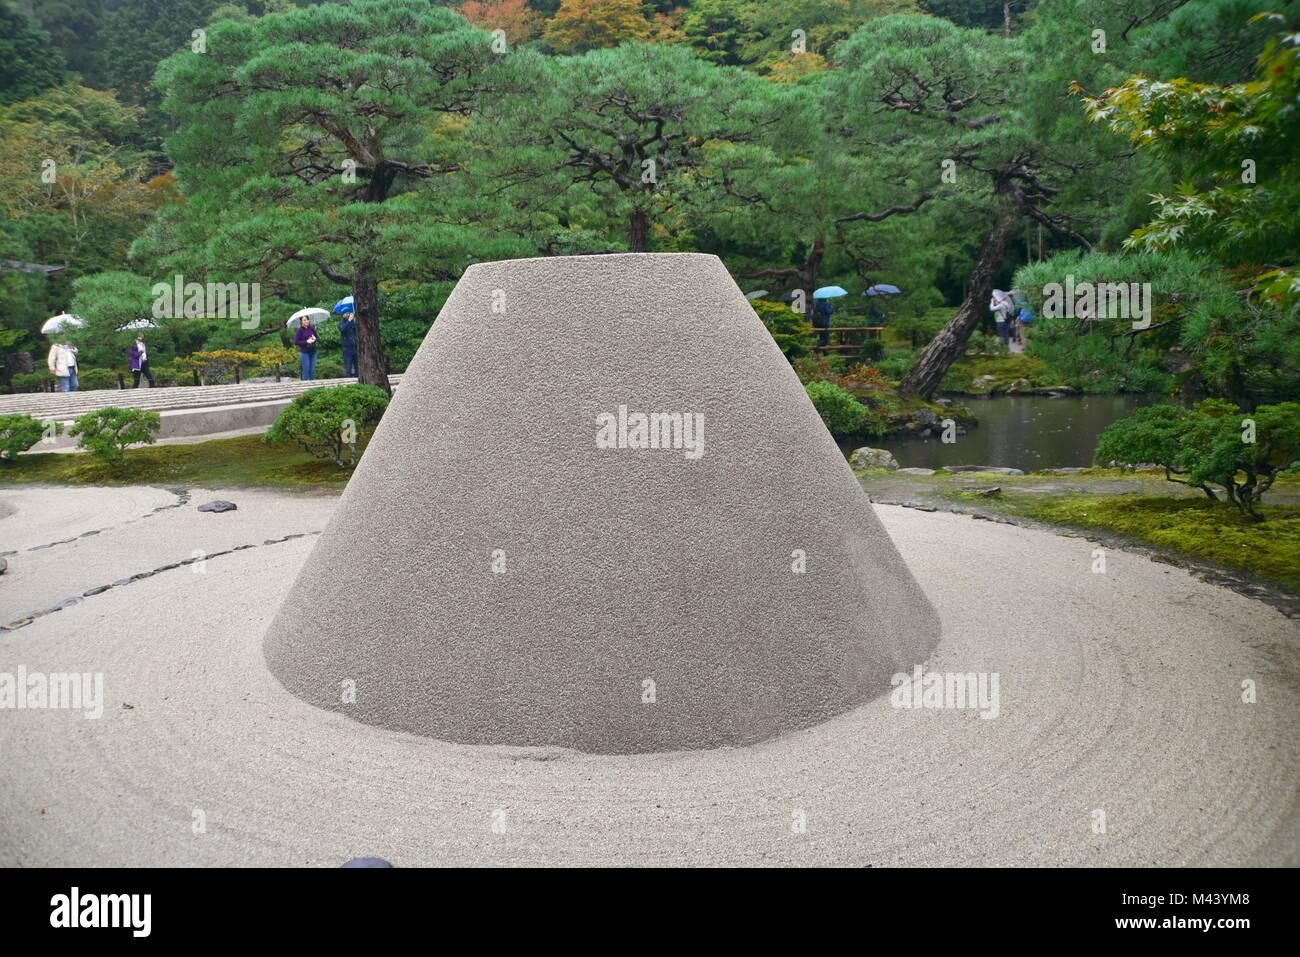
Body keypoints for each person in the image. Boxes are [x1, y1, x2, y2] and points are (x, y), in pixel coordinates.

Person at [294, 315, 318, 380]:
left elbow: (318, 338)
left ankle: (313, 385)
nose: (306, 321)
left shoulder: (312, 328)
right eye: (304, 320)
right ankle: (305, 385)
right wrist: (306, 341)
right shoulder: (299, 330)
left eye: (307, 319)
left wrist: (315, 338)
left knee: (312, 369)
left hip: (313, 351)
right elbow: (296, 342)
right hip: (304, 352)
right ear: (301, 322)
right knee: (306, 369)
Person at [338, 312, 358, 378]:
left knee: (358, 368)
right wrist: (349, 320)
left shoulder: (353, 322)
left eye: (348, 313)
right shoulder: (341, 324)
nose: (347, 314)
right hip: (347, 348)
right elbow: (342, 329)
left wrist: (354, 321)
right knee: (348, 368)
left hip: (355, 347)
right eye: (345, 313)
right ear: (342, 315)